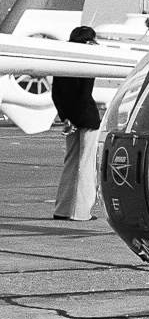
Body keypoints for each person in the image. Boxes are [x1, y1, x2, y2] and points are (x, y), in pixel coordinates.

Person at [51, 25, 102, 221]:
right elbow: (85, 94)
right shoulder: (85, 60)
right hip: (86, 118)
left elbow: (57, 94)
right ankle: (80, 212)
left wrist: (66, 119)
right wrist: (77, 119)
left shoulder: (62, 62)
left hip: (70, 119)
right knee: (85, 165)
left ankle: (63, 209)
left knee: (71, 163)